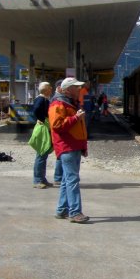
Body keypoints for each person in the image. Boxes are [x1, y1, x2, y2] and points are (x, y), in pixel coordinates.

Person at [49, 77, 89, 223]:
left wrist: (83, 146)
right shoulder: (58, 104)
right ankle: (75, 212)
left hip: (74, 146)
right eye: (75, 87)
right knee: (72, 180)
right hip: (67, 146)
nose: (79, 89)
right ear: (67, 90)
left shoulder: (70, 104)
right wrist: (75, 118)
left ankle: (61, 210)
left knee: (67, 180)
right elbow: (57, 126)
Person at [31, 81, 54, 188]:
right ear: (45, 89)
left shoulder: (44, 99)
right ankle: (37, 180)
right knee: (41, 154)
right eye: (49, 87)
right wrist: (41, 119)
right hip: (43, 128)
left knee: (43, 154)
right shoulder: (41, 99)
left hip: (45, 127)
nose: (51, 89)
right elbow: (35, 110)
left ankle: (42, 178)